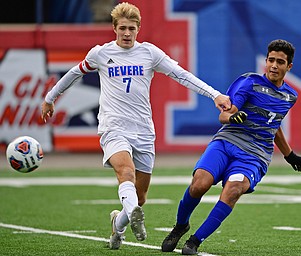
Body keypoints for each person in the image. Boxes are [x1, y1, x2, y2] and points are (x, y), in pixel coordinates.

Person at [41, 2, 231, 250]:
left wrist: (215, 95)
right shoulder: (100, 53)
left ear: (138, 29)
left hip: (143, 131)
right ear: (114, 28)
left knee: (139, 198)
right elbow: (74, 73)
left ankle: (119, 224)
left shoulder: (150, 54)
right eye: (122, 28)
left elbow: (182, 75)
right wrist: (49, 98)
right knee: (126, 174)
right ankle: (134, 217)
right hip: (113, 127)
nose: (127, 33)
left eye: (132, 28)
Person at [161, 39, 301, 255]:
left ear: (289, 67)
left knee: (233, 190)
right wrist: (233, 117)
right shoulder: (249, 82)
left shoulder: (289, 97)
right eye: (271, 60)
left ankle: (194, 241)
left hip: (254, 156)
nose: (274, 66)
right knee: (199, 184)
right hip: (227, 142)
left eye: (280, 62)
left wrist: (289, 155)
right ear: (265, 61)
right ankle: (180, 226)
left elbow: (273, 125)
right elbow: (224, 114)